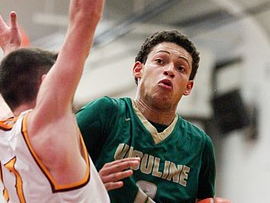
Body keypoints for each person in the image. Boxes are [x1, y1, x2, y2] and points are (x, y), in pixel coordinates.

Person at [0, 0, 110, 202]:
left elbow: (2, 90)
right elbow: (84, 17)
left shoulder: (2, 128)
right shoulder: (45, 124)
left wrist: (10, 50)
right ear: (46, 84)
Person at [76, 29, 216, 202]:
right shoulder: (105, 112)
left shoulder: (200, 144)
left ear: (188, 86)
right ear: (138, 69)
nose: (170, 70)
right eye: (160, 61)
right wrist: (90, 188)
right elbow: (49, 171)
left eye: (181, 68)